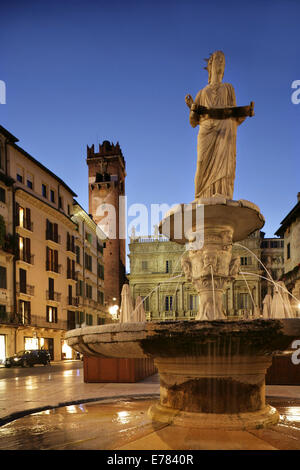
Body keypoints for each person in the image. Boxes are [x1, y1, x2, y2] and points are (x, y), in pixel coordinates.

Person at [185, 51, 252, 200]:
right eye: (217, 60)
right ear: (211, 65)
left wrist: (245, 112)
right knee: (202, 164)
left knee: (225, 169)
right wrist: (192, 108)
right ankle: (199, 197)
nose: (221, 63)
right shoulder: (202, 92)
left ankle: (223, 195)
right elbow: (193, 122)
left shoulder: (229, 88)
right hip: (206, 130)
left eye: (223, 60)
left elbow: (234, 115)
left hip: (226, 131)